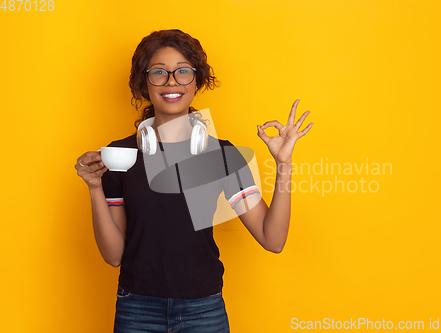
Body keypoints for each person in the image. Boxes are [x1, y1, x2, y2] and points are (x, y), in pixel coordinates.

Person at [74, 29, 313, 333]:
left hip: (204, 309)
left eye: (183, 72)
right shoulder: (120, 155)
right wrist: (95, 187)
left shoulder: (222, 155)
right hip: (137, 308)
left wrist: (284, 164)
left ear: (197, 81)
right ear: (143, 83)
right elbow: (113, 256)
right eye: (159, 72)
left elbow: (273, 239)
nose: (171, 81)